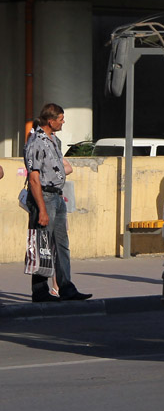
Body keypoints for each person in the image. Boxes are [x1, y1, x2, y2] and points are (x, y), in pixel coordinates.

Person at [24, 103, 90, 302]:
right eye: (60, 119)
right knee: (41, 244)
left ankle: (66, 287)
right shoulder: (35, 141)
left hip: (57, 196)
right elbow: (34, 177)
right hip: (43, 197)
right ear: (50, 121)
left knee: (61, 244)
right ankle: (40, 291)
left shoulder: (55, 141)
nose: (63, 122)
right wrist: (42, 209)